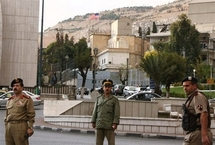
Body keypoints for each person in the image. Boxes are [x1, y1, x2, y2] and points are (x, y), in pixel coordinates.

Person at [181, 76, 213, 145]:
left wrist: (204, 135)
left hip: (197, 134)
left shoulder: (197, 96)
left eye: (187, 86)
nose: (185, 88)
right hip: (193, 133)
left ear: (194, 86)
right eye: (183, 86)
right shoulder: (193, 97)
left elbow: (204, 114)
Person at [4, 78, 35, 145]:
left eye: (17, 86)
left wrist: (30, 127)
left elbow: (31, 115)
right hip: (9, 127)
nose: (15, 87)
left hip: (20, 126)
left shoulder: (27, 99)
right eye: (14, 86)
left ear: (22, 87)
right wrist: (6, 126)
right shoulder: (10, 100)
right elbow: (6, 115)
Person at [91, 79, 120, 145]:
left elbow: (116, 113)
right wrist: (93, 121)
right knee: (98, 143)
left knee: (111, 143)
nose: (107, 88)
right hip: (99, 124)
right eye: (105, 87)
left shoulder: (114, 100)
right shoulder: (99, 99)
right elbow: (95, 110)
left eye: (109, 87)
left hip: (109, 125)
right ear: (103, 88)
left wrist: (115, 123)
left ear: (111, 88)